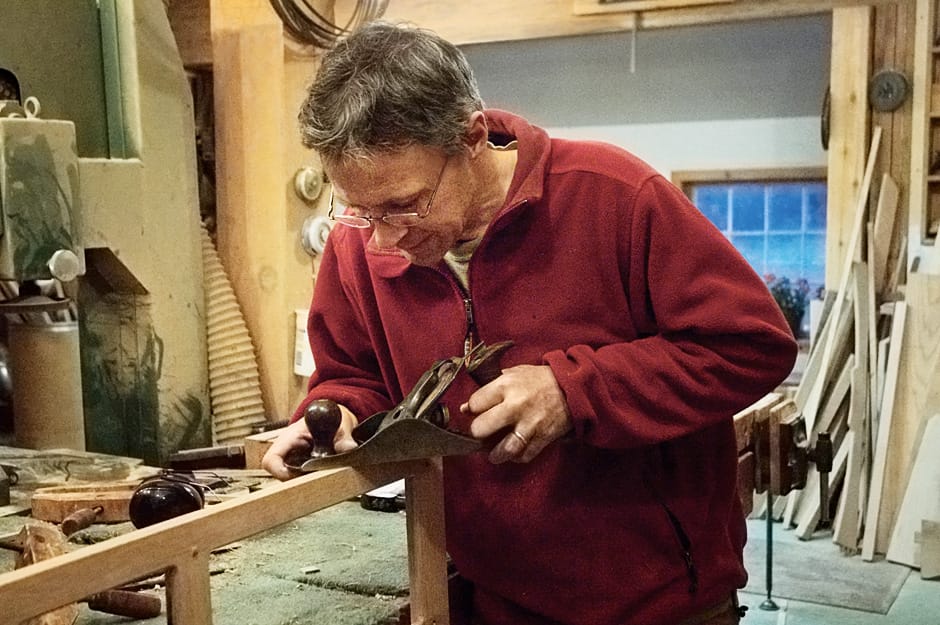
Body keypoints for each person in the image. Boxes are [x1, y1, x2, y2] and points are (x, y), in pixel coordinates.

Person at [262, 20, 798, 625]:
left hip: (657, 600)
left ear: (470, 138)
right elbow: (352, 372)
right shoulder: (356, 244)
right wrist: (340, 412)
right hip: (495, 598)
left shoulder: (615, 196)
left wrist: (574, 391)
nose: (384, 237)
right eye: (359, 210)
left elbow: (750, 346)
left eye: (404, 204)